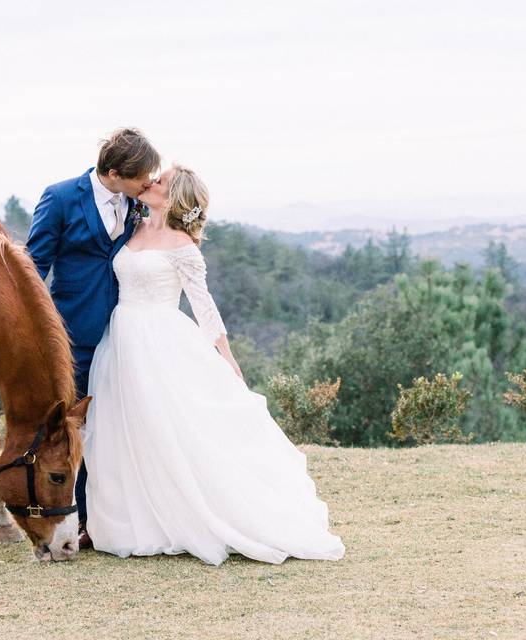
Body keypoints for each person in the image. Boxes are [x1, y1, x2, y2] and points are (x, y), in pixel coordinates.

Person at [84, 164, 345, 565]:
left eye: (161, 181)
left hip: (160, 343)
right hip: (119, 339)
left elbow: (204, 307)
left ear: (173, 197)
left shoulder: (183, 245)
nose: (151, 182)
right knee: (124, 428)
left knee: (170, 429)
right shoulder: (133, 228)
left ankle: (192, 515)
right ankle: (135, 519)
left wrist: (228, 360)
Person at [26, 128, 160, 547]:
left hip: (125, 331)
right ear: (115, 172)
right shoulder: (62, 197)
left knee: (122, 423)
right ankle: (81, 521)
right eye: (143, 177)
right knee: (77, 430)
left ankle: (124, 512)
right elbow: (33, 268)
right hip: (73, 336)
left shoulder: (139, 203)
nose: (149, 183)